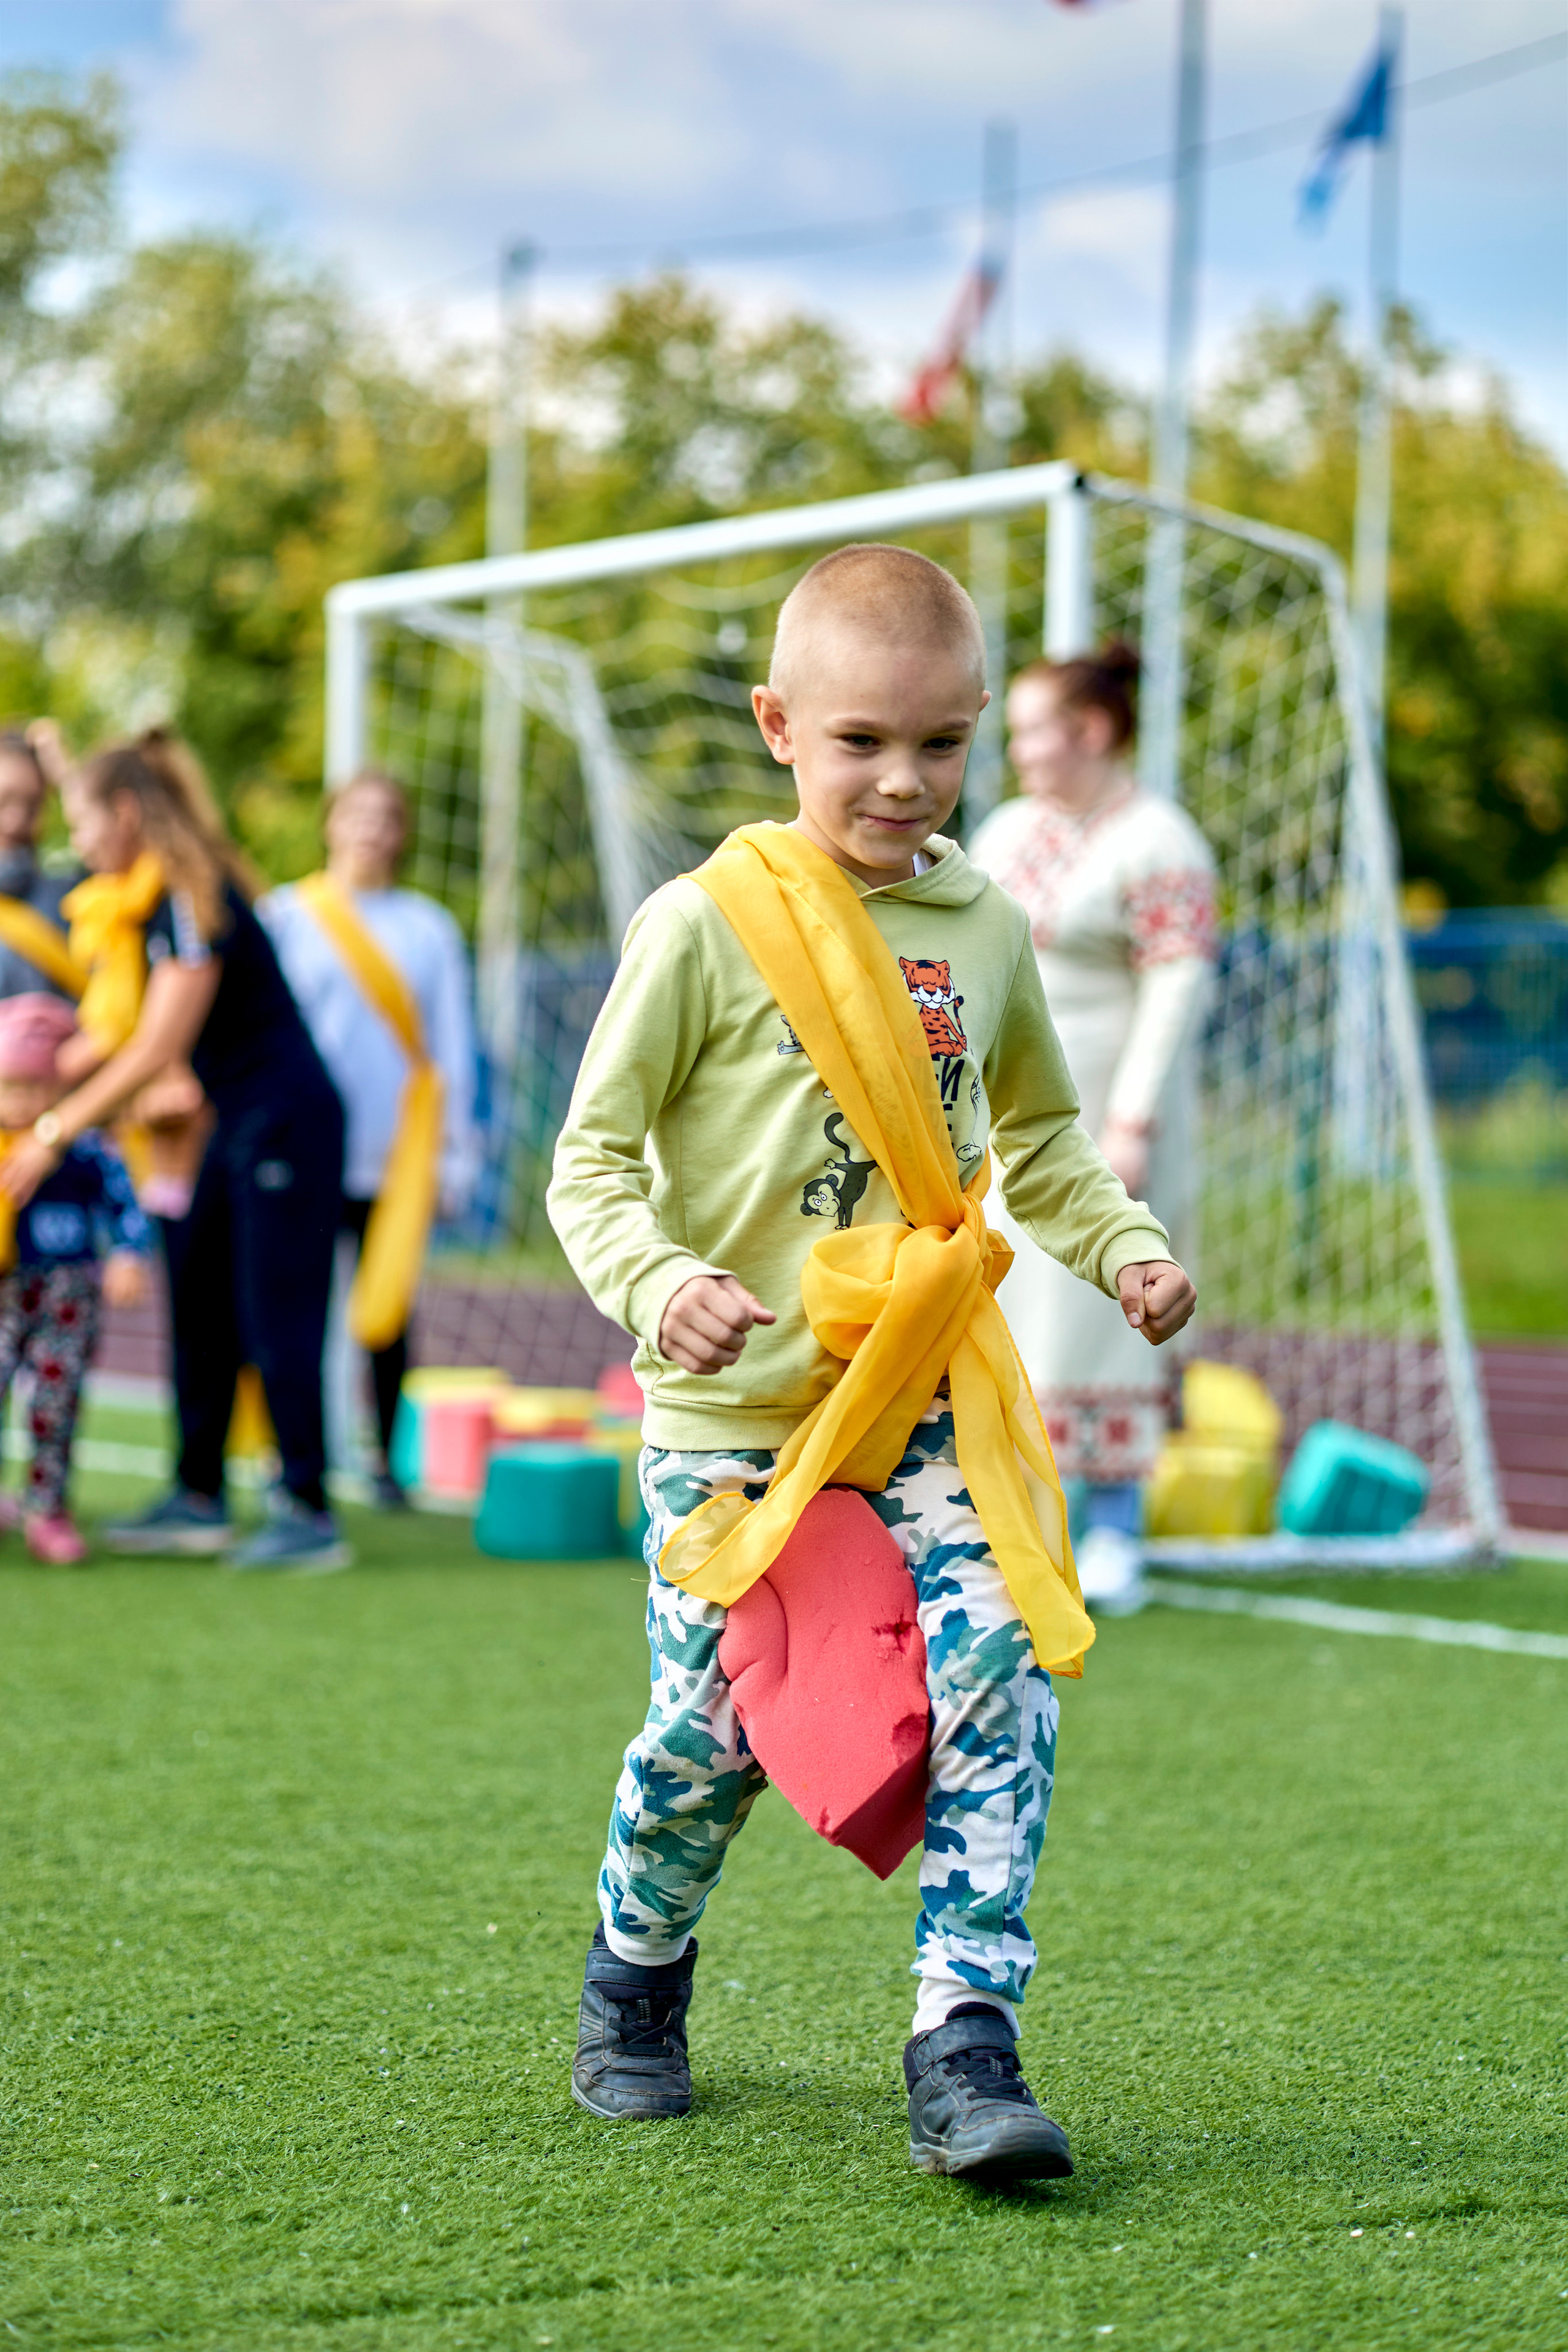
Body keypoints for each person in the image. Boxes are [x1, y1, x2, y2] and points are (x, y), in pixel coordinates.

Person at [548, 544, 1196, 2179]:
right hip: (734, 1425)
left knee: (1000, 1667)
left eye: (938, 743)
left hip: (916, 1399)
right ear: (778, 726)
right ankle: (636, 1969)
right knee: (713, 1732)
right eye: (859, 743)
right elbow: (592, 1162)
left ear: (977, 731)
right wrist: (660, 1279)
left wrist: (1120, 1244)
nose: (902, 781)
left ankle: (965, 2036)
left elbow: (1037, 1132)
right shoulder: (705, 924)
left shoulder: (987, 924)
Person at [0, 728, 349, 1572]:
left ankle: (307, 1509)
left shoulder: (197, 893)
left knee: (277, 1317)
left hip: (285, 1122)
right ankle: (198, 1496)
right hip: (228, 1127)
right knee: (201, 1300)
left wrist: (50, 1133)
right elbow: (114, 1040)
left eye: (82, 820)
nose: (76, 842)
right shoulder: (151, 902)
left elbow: (156, 1047)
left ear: (125, 814)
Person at [968, 645, 1217, 1597]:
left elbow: (1175, 983)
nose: (1020, 752)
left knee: (1112, 1306)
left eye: (1035, 730)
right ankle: (1019, 1516)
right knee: (1015, 1307)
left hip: (1113, 1106)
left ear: (1095, 731)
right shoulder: (1004, 833)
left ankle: (1113, 1529)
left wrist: (1135, 1116)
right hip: (1010, 1112)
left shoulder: (1160, 839)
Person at [260, 770, 478, 1507]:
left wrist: (456, 1154)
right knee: (295, 1305)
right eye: (357, 814)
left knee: (387, 1312)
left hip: (397, 1153)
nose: (371, 830)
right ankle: (292, 1457)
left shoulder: (429, 928)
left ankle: (383, 1462)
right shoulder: (287, 914)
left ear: (403, 831)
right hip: (303, 1148)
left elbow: (452, 1047)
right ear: (330, 823)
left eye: (386, 816)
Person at [0, 994, 152, 1563]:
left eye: (36, 1089)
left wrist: (128, 1254)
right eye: (9, 1088)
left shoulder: (82, 1149)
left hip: (66, 1293)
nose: (22, 1104)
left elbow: (125, 1205)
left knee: (54, 1400)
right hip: (5, 1291)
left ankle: (47, 1505)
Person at [0, 727, 83, 1001]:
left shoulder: (70, 897)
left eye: (33, 805)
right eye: (4, 800)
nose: (16, 821)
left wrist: (69, 781)